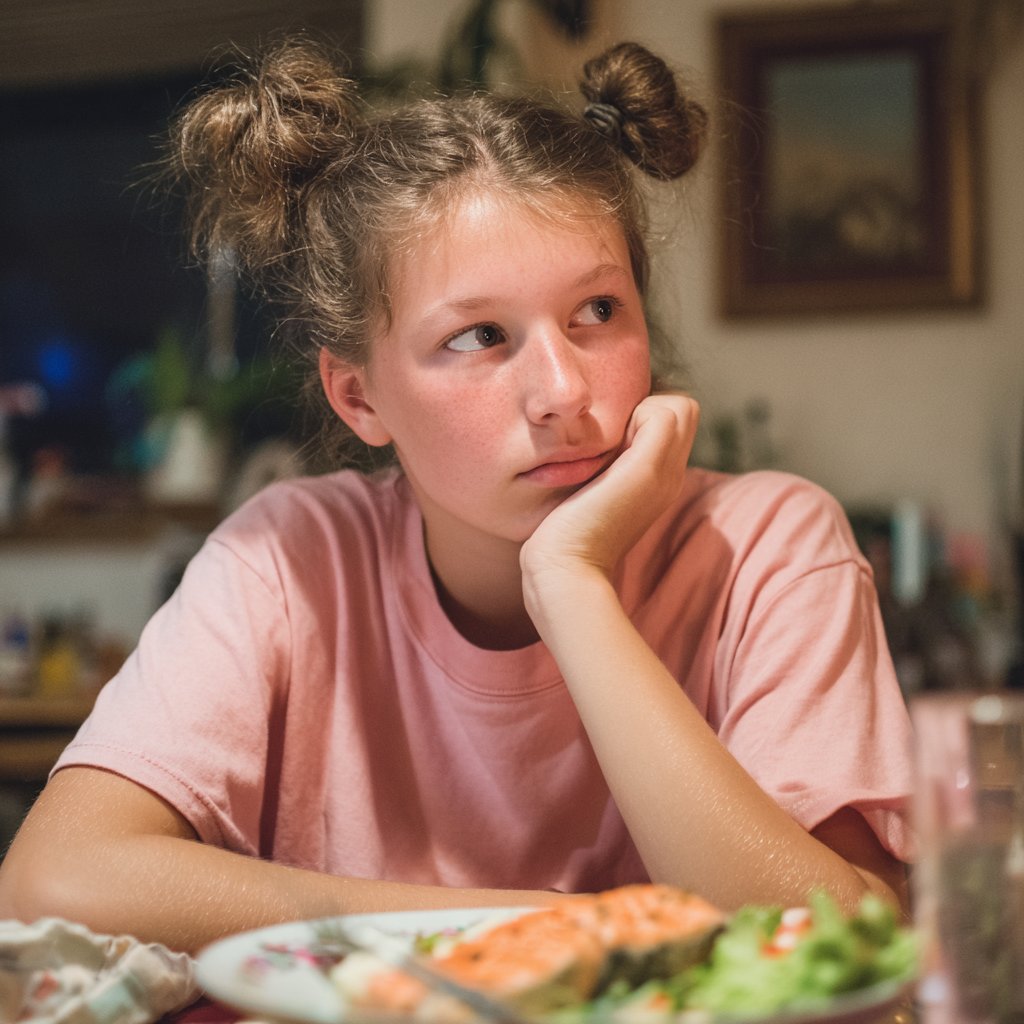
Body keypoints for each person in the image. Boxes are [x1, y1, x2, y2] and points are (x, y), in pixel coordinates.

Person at [0, 38, 913, 955]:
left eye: (598, 311)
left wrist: (570, 585)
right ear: (359, 397)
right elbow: (52, 881)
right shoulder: (289, 559)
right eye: (480, 335)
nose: (563, 389)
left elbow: (852, 943)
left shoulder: (767, 545)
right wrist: (552, 928)